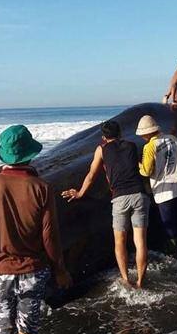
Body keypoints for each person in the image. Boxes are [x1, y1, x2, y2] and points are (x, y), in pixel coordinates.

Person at [0, 125, 72, 334]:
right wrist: (60, 269)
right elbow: (49, 235)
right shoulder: (41, 187)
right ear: (30, 154)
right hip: (32, 270)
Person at [61, 120, 150, 288]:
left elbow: (91, 174)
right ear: (120, 133)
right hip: (139, 194)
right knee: (140, 241)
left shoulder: (101, 149)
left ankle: (125, 278)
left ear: (103, 137)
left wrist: (80, 193)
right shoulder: (131, 145)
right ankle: (140, 281)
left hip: (120, 198)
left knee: (120, 241)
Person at [135, 115, 177, 260]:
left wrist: (137, 165)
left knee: (169, 220)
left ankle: (174, 250)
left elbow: (146, 171)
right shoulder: (173, 139)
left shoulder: (150, 146)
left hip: (163, 190)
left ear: (147, 133)